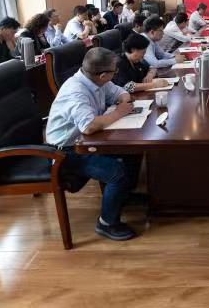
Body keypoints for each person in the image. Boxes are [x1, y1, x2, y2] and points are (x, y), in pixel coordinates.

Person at [45, 48, 140, 241]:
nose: (116, 73)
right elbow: (88, 126)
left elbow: (118, 91)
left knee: (132, 152)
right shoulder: (76, 91)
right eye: (114, 71)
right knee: (117, 173)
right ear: (103, 74)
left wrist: (124, 100)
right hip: (65, 152)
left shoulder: (97, 80)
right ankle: (106, 223)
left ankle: (123, 196)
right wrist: (119, 112)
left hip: (85, 141)